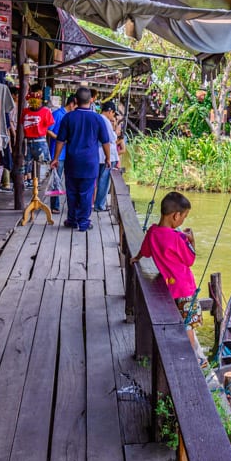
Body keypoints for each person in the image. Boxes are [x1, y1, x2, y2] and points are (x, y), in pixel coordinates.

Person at [134, 192, 205, 361]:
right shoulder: (178, 237)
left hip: (169, 289)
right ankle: (192, 357)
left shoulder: (152, 232)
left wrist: (135, 258)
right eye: (184, 217)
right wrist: (191, 242)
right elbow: (190, 260)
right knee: (188, 324)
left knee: (178, 322)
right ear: (176, 215)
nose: (183, 221)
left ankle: (183, 352)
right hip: (185, 288)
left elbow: (145, 252)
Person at [51, 87, 111, 231]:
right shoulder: (97, 118)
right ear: (91, 100)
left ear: (76, 100)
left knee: (71, 192)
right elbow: (105, 142)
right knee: (86, 192)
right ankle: (83, 222)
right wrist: (108, 158)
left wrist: (56, 158)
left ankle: (72, 219)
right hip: (90, 162)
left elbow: (60, 140)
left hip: (72, 161)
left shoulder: (68, 117)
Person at [47, 93, 74, 214]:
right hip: (57, 152)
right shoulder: (58, 114)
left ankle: (70, 204)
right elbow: (48, 130)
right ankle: (55, 205)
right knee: (56, 179)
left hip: (69, 152)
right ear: (72, 104)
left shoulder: (72, 116)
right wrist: (59, 138)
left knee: (69, 180)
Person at [93, 100, 121, 213]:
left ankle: (99, 203)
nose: (113, 116)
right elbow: (111, 138)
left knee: (100, 179)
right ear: (110, 111)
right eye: (113, 113)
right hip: (107, 154)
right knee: (104, 180)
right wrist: (117, 132)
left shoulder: (97, 118)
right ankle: (100, 205)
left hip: (99, 153)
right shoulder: (105, 121)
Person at [21, 92, 53, 181]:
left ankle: (31, 181)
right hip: (35, 141)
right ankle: (30, 181)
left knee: (31, 165)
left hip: (33, 141)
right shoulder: (26, 111)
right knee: (36, 165)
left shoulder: (45, 111)